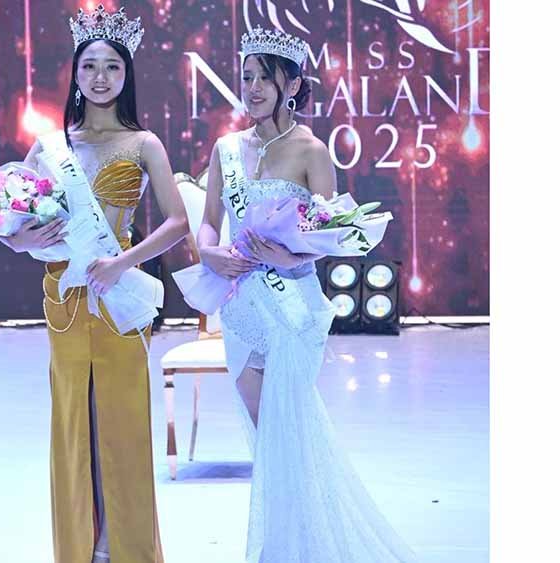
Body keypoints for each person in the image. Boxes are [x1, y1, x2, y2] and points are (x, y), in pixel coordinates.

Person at [196, 26, 417, 562]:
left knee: (288, 432)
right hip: (241, 308)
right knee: (266, 438)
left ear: (292, 84)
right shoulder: (226, 149)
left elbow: (328, 235)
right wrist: (209, 253)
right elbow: (207, 222)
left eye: (264, 78)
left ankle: (296, 549)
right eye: (246, 77)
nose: (252, 88)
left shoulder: (312, 151)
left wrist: (289, 258)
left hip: (293, 307)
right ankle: (288, 544)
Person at [0, 6, 188, 562]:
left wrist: (123, 262)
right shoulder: (51, 147)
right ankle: (82, 549)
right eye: (89, 66)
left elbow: (177, 222)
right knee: (72, 422)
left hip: (118, 296)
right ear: (75, 73)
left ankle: (124, 549)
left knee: (122, 423)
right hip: (64, 295)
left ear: (127, 75)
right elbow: (11, 228)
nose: (100, 77)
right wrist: (26, 240)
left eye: (112, 67)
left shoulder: (144, 143)